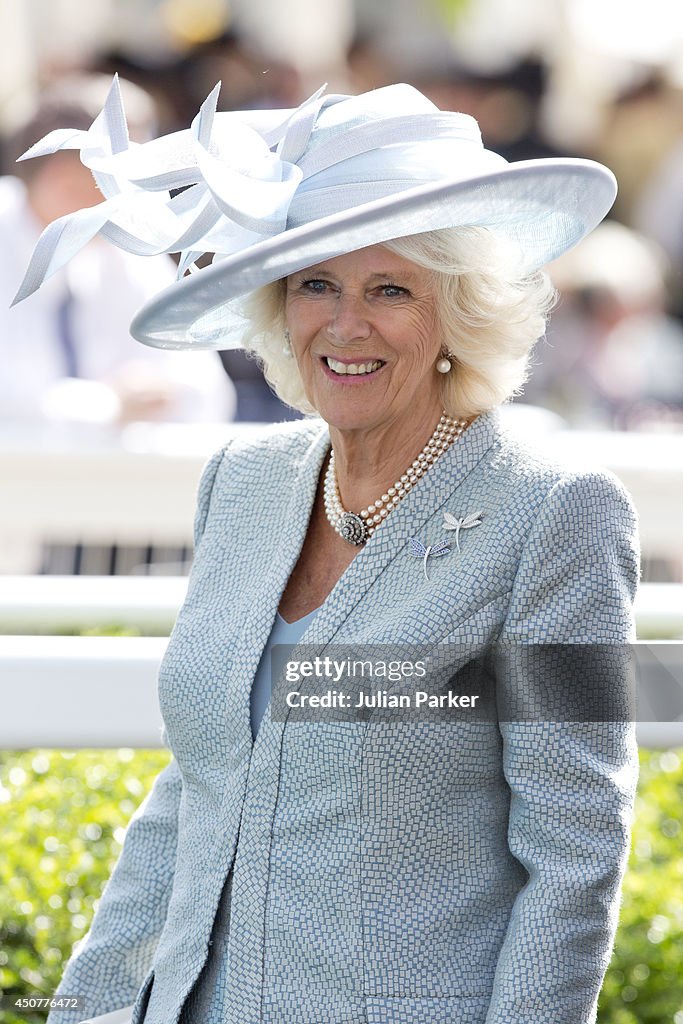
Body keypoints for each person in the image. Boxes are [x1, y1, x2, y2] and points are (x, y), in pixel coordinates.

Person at [18, 79, 640, 1024]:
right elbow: (193, 793)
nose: (346, 325)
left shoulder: (555, 515)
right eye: (316, 284)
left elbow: (575, 855)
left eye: (390, 289)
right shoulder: (244, 482)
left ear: (457, 315)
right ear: (277, 305)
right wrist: (87, 1005)